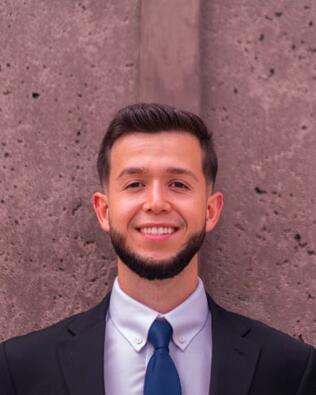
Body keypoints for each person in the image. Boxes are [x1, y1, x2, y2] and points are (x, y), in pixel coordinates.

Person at [0, 103, 315, 395]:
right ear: (104, 210)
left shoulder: (292, 370)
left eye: (178, 184)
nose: (156, 203)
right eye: (135, 184)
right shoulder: (19, 369)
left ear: (210, 210)